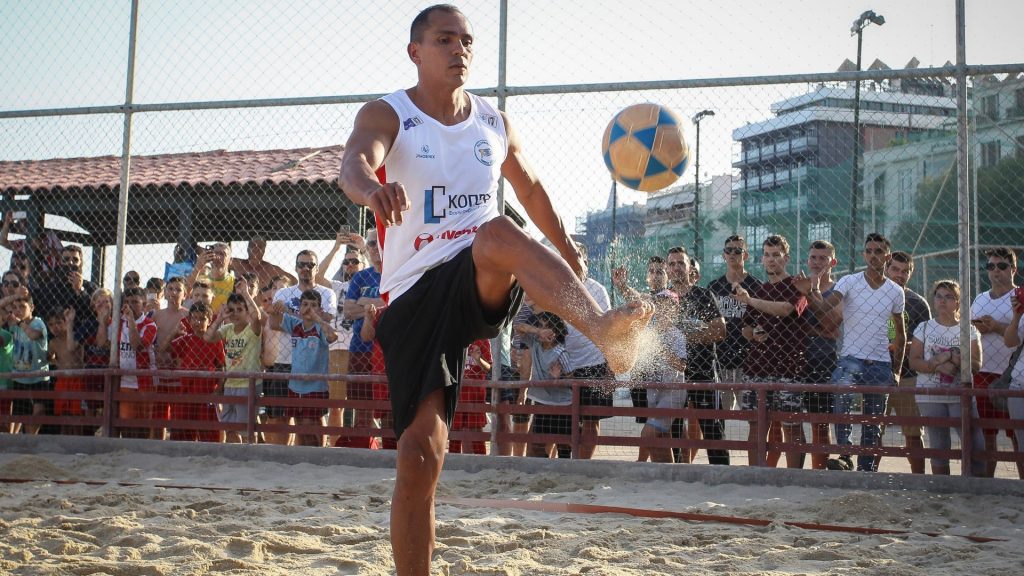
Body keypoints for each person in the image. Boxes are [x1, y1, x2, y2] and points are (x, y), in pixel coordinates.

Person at [338, 6, 651, 572]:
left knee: (498, 231)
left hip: (479, 277)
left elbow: (531, 191)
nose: (459, 49)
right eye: (444, 39)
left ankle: (603, 329)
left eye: (466, 41)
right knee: (419, 456)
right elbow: (356, 161)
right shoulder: (391, 112)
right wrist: (370, 191)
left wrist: (566, 250)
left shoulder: (494, 122)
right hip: (413, 295)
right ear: (416, 52)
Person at [796, 232, 906, 472]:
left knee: (872, 421)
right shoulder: (849, 282)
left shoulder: (895, 292)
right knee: (841, 392)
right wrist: (808, 292)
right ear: (863, 254)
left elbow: (900, 333)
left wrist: (896, 371)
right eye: (869, 251)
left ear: (887, 256)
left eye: (878, 251)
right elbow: (825, 307)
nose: (873, 255)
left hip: (880, 362)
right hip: (851, 358)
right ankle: (845, 453)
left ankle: (866, 469)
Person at [734, 234, 807, 468]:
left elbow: (787, 309)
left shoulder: (797, 284)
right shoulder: (760, 290)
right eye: (767, 255)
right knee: (756, 425)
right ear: (762, 259)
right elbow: (746, 328)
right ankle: (757, 475)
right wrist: (753, 333)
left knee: (791, 425)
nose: (771, 260)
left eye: (776, 255)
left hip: (788, 366)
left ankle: (794, 478)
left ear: (786, 258)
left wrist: (750, 301)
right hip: (758, 367)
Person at [907, 280, 985, 476]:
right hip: (930, 393)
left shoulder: (968, 329)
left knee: (975, 443)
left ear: (958, 303)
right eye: (939, 296)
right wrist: (938, 364)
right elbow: (914, 361)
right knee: (939, 445)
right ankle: (943, 488)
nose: (943, 301)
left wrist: (955, 358)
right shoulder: (924, 328)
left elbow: (976, 365)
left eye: (949, 297)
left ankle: (973, 485)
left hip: (961, 394)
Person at [666, 246, 729, 465]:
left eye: (680, 263)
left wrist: (683, 336)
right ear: (666, 268)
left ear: (689, 268)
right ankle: (680, 473)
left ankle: (722, 476)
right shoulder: (664, 299)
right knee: (673, 429)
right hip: (673, 373)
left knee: (713, 431)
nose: (676, 268)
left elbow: (719, 331)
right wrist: (697, 332)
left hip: (702, 371)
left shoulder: (703, 295)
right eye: (672, 264)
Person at [267, 251, 336, 445]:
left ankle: (317, 455)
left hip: (314, 363)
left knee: (313, 417)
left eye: (310, 265)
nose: (306, 268)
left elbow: (327, 320)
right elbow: (274, 323)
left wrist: (289, 312)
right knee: (283, 417)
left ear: (317, 267)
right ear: (296, 267)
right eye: (302, 264)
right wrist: (280, 311)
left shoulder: (326, 292)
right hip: (285, 360)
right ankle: (286, 460)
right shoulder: (283, 293)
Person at [970, 247, 1023, 478]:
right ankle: (987, 484)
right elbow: (969, 331)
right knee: (987, 434)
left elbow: (1018, 337)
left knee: (1016, 435)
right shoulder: (980, 299)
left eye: (1001, 266)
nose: (995, 271)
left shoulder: (1019, 297)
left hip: (1011, 375)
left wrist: (996, 327)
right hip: (983, 371)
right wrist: (978, 329)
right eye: (990, 266)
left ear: (1014, 269)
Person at [877, 251, 930, 474]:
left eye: (905, 271)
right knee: (873, 432)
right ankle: (869, 477)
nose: (899, 275)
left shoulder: (918, 303)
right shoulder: (875, 297)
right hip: (878, 374)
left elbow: (926, 341)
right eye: (895, 269)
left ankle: (918, 479)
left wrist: (905, 347)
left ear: (911, 273)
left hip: (908, 375)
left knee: (913, 433)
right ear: (886, 269)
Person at [315, 230, 365, 446]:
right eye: (347, 262)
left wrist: (364, 249)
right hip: (337, 348)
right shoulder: (339, 287)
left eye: (355, 261)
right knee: (336, 405)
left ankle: (363, 445)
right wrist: (336, 248)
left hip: (362, 347)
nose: (350, 265)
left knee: (364, 405)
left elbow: (384, 268)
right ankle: (335, 446)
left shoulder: (371, 283)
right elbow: (318, 276)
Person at [800, 241, 843, 470]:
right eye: (813, 258)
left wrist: (811, 292)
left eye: (822, 258)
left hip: (823, 362)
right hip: (796, 361)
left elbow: (831, 326)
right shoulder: (798, 286)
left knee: (819, 424)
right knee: (790, 423)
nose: (817, 262)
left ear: (832, 262)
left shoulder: (838, 290)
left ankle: (819, 471)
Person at [708, 235, 762, 412]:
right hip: (720, 360)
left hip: (747, 361)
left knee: (754, 417)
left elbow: (763, 321)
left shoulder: (756, 286)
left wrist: (754, 330)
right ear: (723, 255)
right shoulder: (714, 286)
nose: (732, 254)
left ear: (745, 255)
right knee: (717, 417)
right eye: (728, 250)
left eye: (737, 251)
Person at [341, 232, 385, 448]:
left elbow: (396, 304)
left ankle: (390, 449)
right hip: (360, 347)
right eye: (371, 244)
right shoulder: (361, 277)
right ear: (366, 248)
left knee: (389, 405)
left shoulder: (396, 273)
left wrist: (365, 301)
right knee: (361, 403)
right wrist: (377, 304)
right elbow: (348, 310)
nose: (375, 247)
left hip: (387, 349)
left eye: (379, 242)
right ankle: (365, 447)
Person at [636, 290, 687, 463]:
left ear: (675, 312)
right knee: (661, 437)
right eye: (661, 306)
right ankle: (667, 472)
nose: (663, 310)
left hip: (672, 392)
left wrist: (663, 350)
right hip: (654, 390)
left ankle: (658, 469)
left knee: (648, 433)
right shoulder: (649, 332)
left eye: (668, 307)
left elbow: (682, 365)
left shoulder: (677, 335)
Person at [205, 290, 263, 443]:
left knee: (246, 428)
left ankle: (250, 458)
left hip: (248, 384)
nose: (235, 314)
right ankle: (235, 458)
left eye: (240, 310)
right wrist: (219, 319)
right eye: (232, 310)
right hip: (230, 383)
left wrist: (246, 293)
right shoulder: (228, 329)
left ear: (247, 311)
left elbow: (257, 317)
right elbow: (207, 338)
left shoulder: (252, 330)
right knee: (229, 426)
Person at [166, 301, 225, 442]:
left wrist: (219, 390)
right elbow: (165, 348)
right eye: (194, 318)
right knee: (182, 434)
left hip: (207, 393)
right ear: (189, 320)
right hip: (186, 393)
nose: (197, 322)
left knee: (209, 434)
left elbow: (221, 366)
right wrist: (173, 332)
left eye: (202, 318)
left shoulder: (215, 340)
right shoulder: (185, 339)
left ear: (210, 320)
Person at [518, 311, 573, 458]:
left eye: (546, 327)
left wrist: (557, 379)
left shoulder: (561, 353)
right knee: (536, 445)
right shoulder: (535, 343)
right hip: (542, 402)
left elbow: (571, 380)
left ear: (555, 332)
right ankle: (545, 470)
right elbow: (519, 327)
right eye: (540, 326)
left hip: (562, 405)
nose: (542, 330)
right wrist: (537, 331)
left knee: (563, 447)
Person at [116, 286, 158, 439]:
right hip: (125, 380)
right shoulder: (117, 322)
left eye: (134, 302)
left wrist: (131, 321)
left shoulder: (149, 324)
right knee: (125, 422)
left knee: (144, 422)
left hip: (144, 380)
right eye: (127, 302)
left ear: (144, 304)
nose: (130, 305)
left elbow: (136, 345)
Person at [5, 290, 48, 434]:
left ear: (32, 307)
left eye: (22, 307)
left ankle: (30, 442)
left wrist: (19, 322)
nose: (18, 310)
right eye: (15, 307)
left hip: (38, 376)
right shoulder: (14, 324)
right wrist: (14, 296)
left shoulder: (38, 323)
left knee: (38, 413)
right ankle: (14, 441)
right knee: (17, 415)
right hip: (20, 377)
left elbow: (33, 335)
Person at [48, 307, 86, 435]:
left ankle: (77, 439)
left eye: (59, 322)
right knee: (62, 413)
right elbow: (48, 358)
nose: (55, 327)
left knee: (77, 413)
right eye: (51, 324)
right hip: (62, 380)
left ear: (67, 322)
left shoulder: (76, 337)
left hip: (77, 380)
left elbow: (75, 352)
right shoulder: (53, 343)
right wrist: (56, 362)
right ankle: (63, 439)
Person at [449, 338, 491, 455]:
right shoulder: (454, 338)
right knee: (454, 433)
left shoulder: (482, 340)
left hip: (475, 395)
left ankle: (481, 462)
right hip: (456, 393)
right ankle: (454, 463)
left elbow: (489, 368)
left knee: (476, 433)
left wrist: (478, 359)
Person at [230, 236, 296, 289]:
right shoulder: (238, 263)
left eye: (260, 246)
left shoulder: (271, 269)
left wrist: (279, 291)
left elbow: (294, 280)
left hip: (262, 303)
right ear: (248, 248)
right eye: (253, 245)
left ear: (264, 250)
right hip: (240, 303)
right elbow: (221, 261)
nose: (256, 248)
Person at [188, 242, 235, 310]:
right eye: (215, 253)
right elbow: (185, 293)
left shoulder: (235, 283)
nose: (217, 257)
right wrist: (198, 267)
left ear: (230, 260)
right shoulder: (200, 280)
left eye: (222, 254)